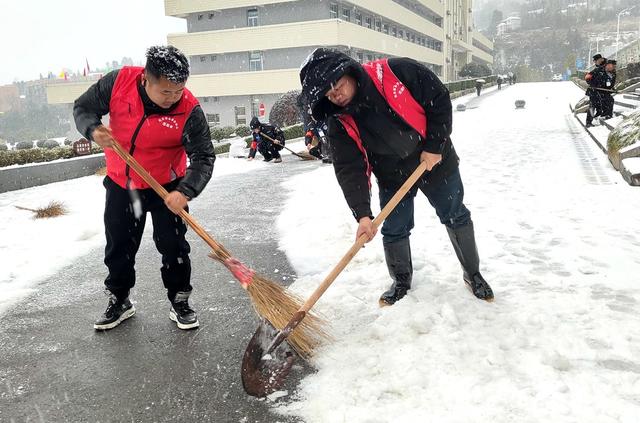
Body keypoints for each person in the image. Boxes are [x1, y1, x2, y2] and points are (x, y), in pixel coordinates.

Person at [299, 48, 494, 306]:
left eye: (338, 85)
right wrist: (363, 215)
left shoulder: (395, 72)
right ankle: (401, 281)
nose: (336, 96)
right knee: (394, 228)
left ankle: (473, 274)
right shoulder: (339, 120)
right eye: (328, 93)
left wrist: (435, 146)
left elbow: (438, 99)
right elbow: (349, 168)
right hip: (391, 172)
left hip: (434, 158)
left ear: (349, 71)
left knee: (455, 213)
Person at [74, 46, 215, 330]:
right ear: (145, 80)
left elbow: (203, 156)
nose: (173, 98)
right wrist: (93, 129)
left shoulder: (189, 108)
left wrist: (185, 191)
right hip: (122, 183)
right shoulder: (118, 83)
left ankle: (180, 300)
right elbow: (83, 107)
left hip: (168, 186)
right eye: (165, 92)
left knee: (173, 246)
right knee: (120, 245)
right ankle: (119, 298)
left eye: (178, 91)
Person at [585, 54, 607, 127]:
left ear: (600, 59)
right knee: (592, 106)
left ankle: (603, 116)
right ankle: (588, 122)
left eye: (596, 61)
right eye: (594, 61)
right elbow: (587, 78)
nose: (595, 63)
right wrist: (594, 85)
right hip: (594, 91)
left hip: (602, 90)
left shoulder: (605, 67)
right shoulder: (597, 69)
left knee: (601, 105)